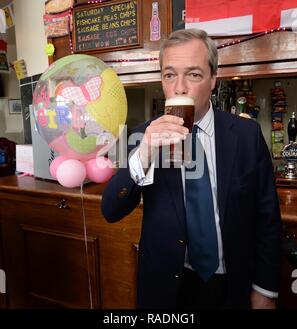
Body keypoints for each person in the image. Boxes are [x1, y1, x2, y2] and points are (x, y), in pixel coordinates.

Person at [101, 29, 281, 309]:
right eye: (169, 75)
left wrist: (265, 289)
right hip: (167, 287)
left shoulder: (246, 135)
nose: (180, 88)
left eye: (194, 74)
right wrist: (145, 152)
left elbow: (267, 217)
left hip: (232, 282)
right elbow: (111, 210)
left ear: (213, 80)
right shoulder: (142, 136)